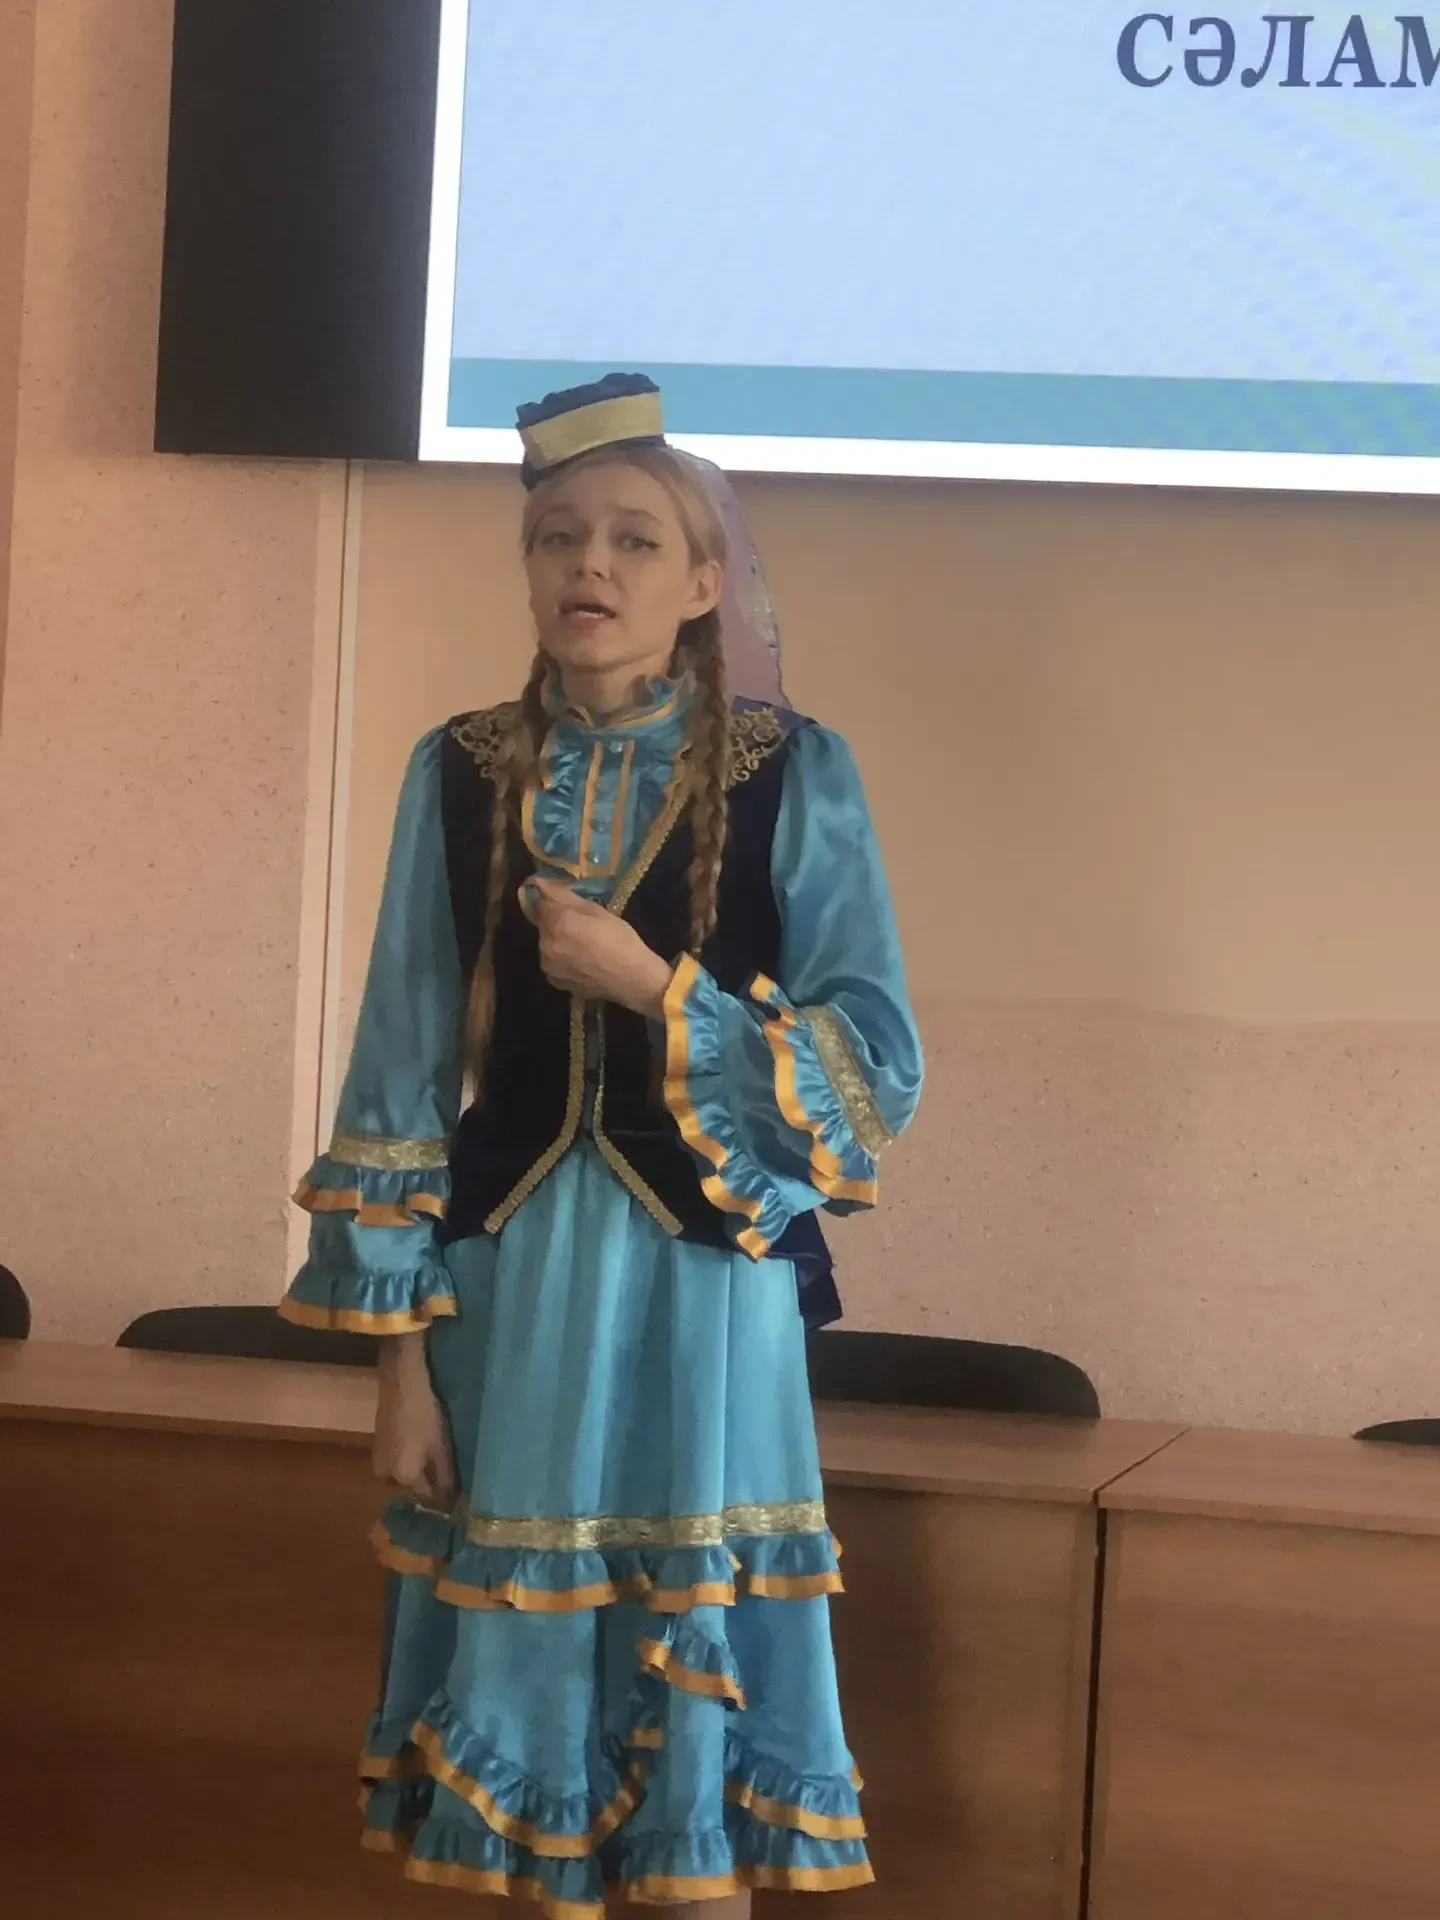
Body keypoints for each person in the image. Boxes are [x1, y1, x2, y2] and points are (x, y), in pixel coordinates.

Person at [280, 374, 923, 1916]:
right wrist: (398, 1364)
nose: (591, 564)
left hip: (708, 1293)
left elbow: (872, 1070)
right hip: (508, 1294)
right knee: (528, 1667)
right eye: (559, 535)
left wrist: (656, 989)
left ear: (702, 582)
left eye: (636, 539)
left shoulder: (796, 771)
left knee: (692, 1670)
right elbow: (396, 1072)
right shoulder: (458, 771)